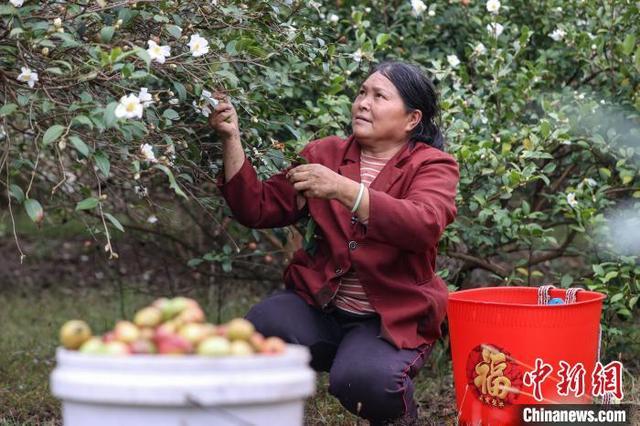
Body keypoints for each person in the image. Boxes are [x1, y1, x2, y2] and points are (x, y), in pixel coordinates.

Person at [209, 60, 459, 425]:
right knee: (258, 330)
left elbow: (423, 224)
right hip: (320, 306)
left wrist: (345, 191)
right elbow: (258, 208)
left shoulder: (432, 165)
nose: (363, 103)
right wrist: (231, 138)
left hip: (388, 318)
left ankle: (397, 412)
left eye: (379, 96)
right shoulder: (325, 154)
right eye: (361, 92)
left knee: (364, 380)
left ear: (411, 119)